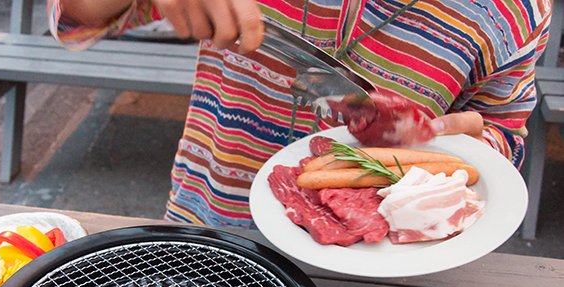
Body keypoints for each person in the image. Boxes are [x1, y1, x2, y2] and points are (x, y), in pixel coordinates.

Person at [47, 0, 552, 228]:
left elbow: (504, 131)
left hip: (376, 264)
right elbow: (77, 12)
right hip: (212, 228)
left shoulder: (511, 10)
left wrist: (468, 147)